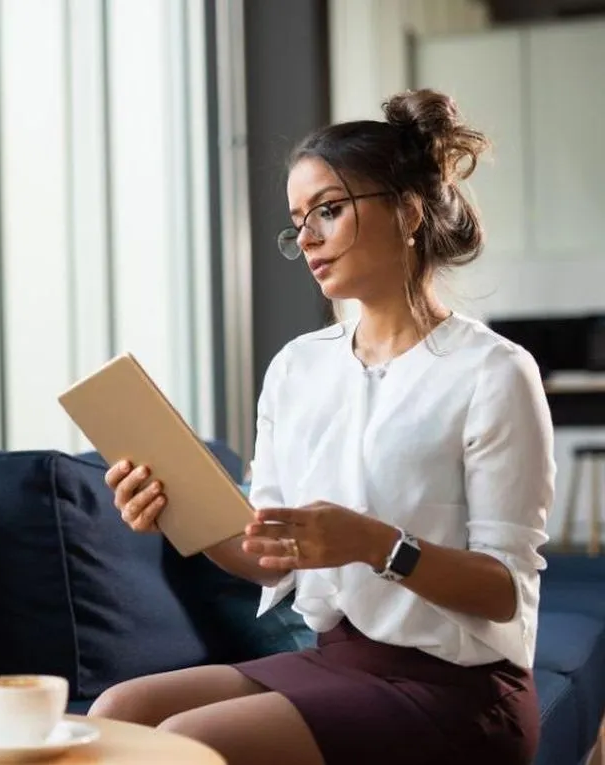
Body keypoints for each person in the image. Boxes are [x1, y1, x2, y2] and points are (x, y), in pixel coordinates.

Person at [88, 88, 554, 765]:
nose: (306, 238)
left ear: (408, 211)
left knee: (190, 742)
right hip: (337, 658)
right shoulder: (296, 368)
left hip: (458, 685)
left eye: (328, 211)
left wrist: (375, 544)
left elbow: (504, 591)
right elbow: (266, 554)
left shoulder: (494, 371)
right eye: (297, 221)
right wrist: (176, 510)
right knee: (115, 713)